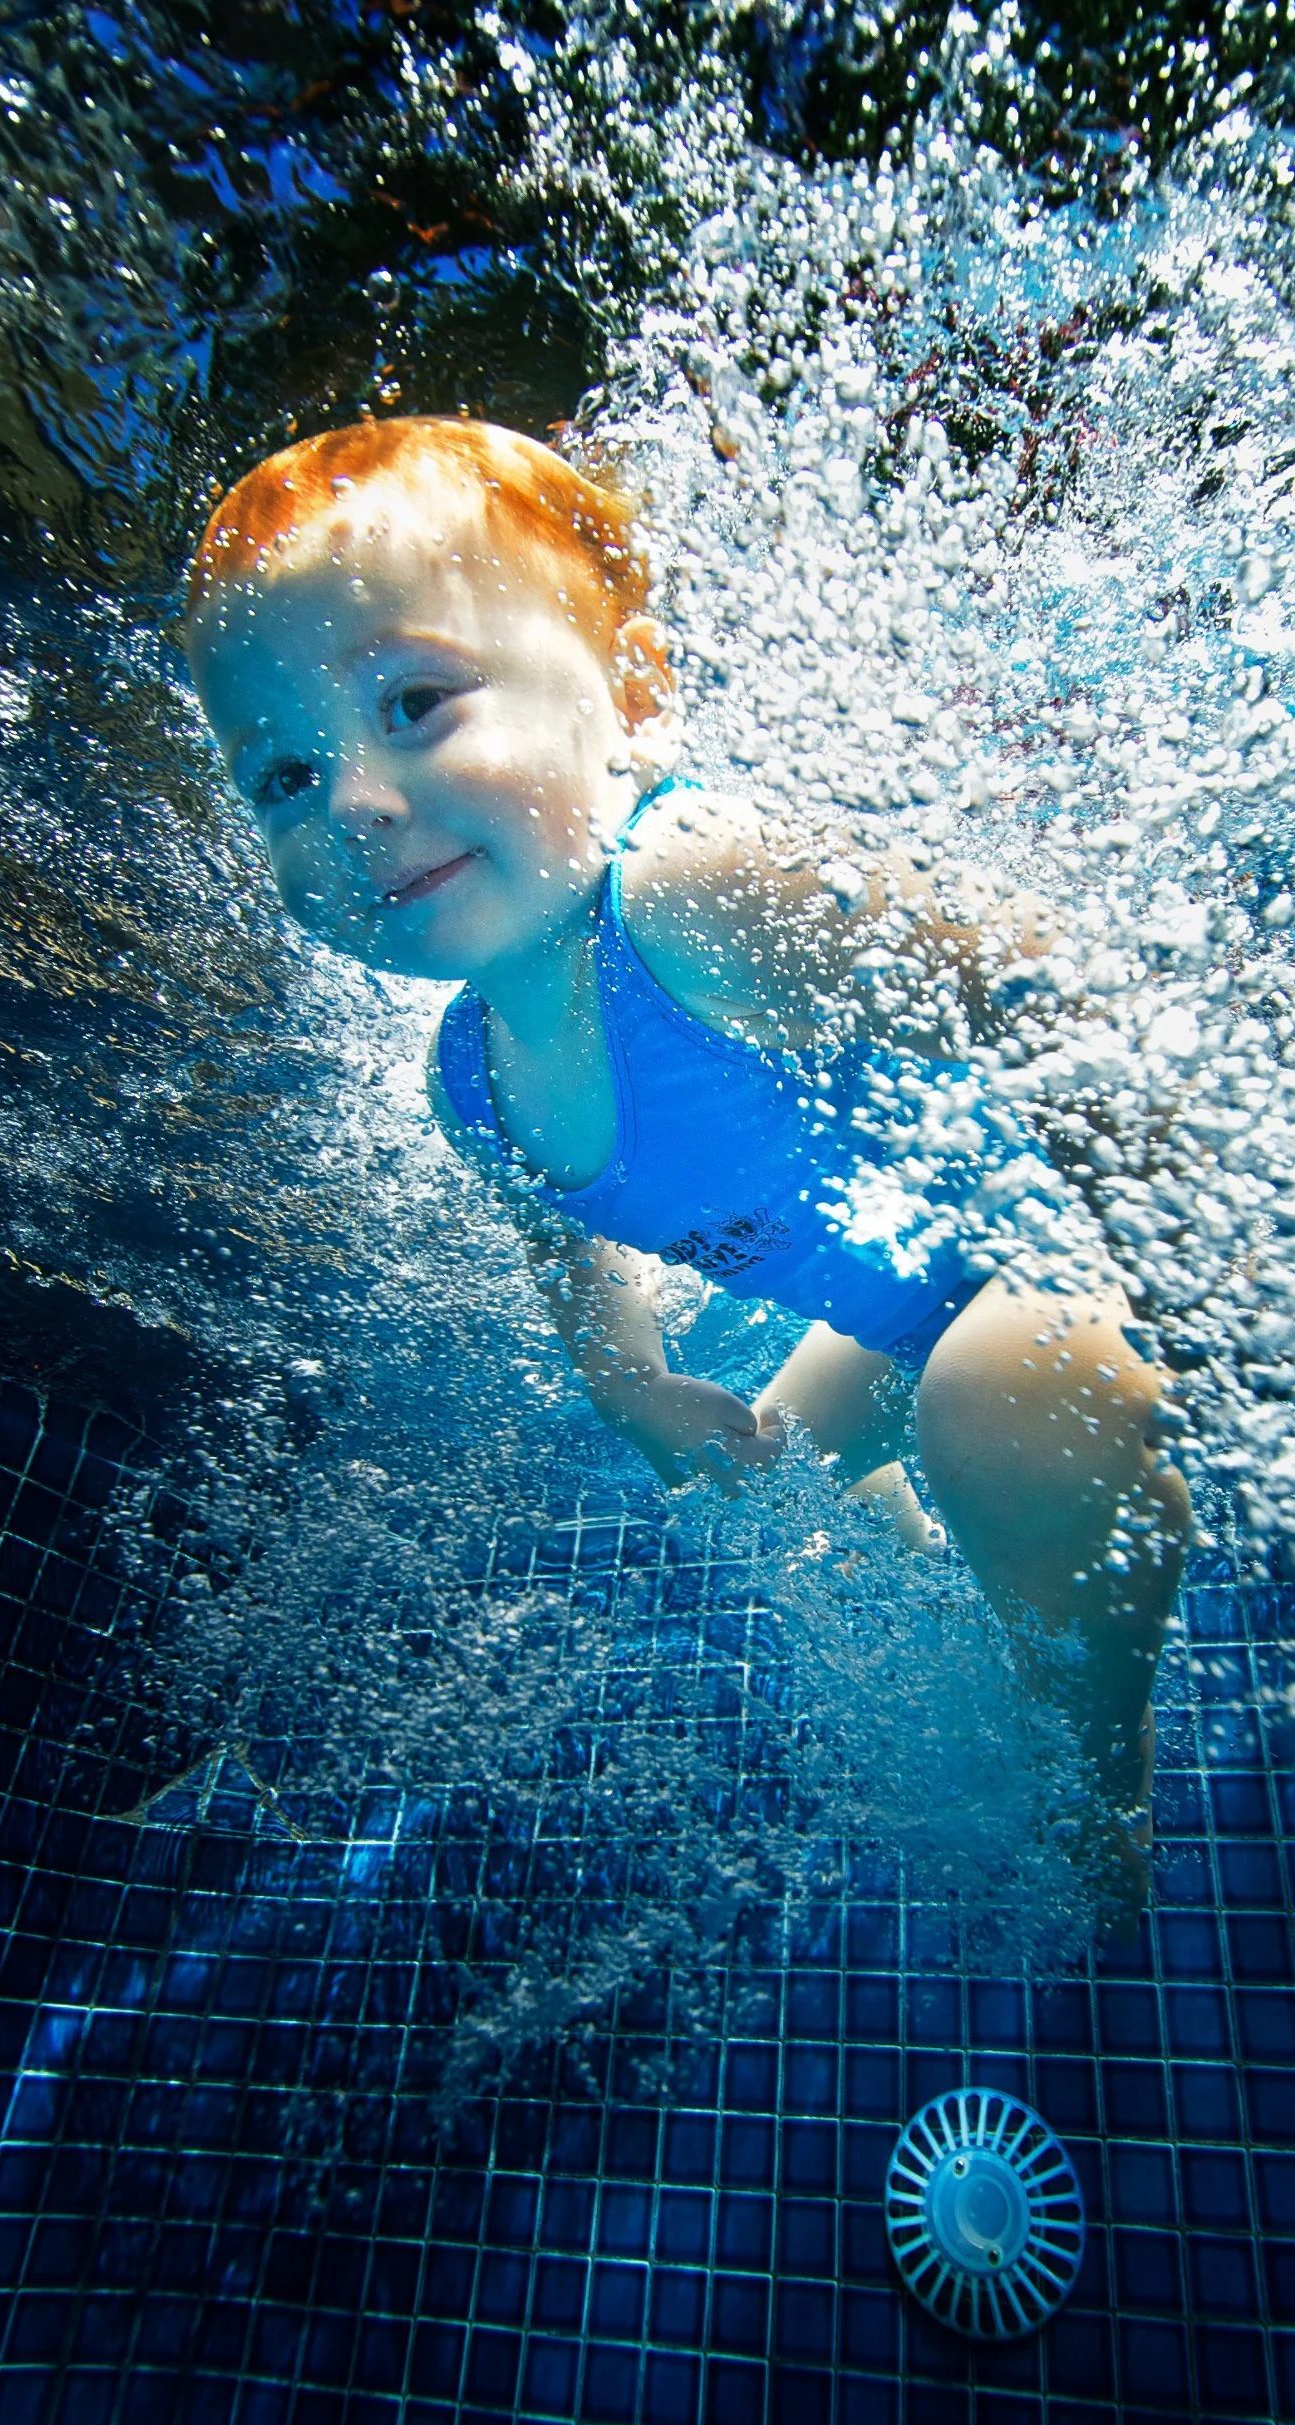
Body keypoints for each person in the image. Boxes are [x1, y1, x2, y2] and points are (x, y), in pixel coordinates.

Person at [185, 413, 1191, 1888]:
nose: (352, 803)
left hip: (1083, 1247)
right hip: (915, 1307)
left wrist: (1178, 1214)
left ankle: (1094, 1767)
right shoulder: (470, 1084)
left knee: (991, 1403)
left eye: (413, 702)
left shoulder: (694, 892)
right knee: (749, 1483)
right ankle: (976, 1583)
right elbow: (566, 1234)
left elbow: (1034, 974)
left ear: (630, 696)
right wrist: (628, 1378)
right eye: (279, 778)